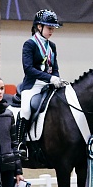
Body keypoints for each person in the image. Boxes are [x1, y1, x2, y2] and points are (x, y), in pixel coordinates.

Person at [15, 9, 63, 154]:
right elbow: (28, 69)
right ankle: (19, 143)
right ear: (39, 27)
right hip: (32, 85)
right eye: (49, 28)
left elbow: (54, 67)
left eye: (53, 28)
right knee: (26, 109)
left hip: (49, 85)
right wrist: (49, 78)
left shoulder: (52, 46)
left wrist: (56, 79)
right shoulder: (29, 44)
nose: (51, 31)